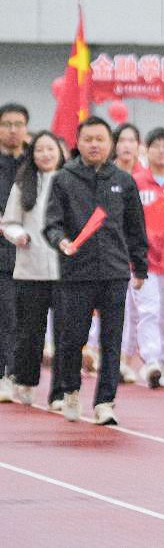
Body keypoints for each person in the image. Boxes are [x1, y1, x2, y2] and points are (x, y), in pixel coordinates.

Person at [44, 117, 148, 426]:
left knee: (112, 340)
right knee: (72, 337)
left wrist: (140, 266)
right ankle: (70, 391)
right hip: (77, 271)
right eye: (88, 139)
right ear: (78, 142)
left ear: (110, 143)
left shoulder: (123, 181)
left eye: (100, 139)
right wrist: (60, 241)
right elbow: (52, 223)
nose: (94, 145)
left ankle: (105, 401)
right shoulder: (64, 179)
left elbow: (135, 228)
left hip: (114, 271)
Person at [1, 130, 64, 408]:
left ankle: (61, 391)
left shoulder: (69, 182)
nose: (46, 155)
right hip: (31, 269)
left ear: (60, 153)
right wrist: (18, 235)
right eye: (40, 150)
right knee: (29, 332)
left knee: (65, 334)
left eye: (51, 149)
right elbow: (9, 222)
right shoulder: (23, 184)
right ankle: (26, 380)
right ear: (32, 154)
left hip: (64, 270)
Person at [124, 128, 164, 390]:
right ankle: (151, 360)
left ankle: (161, 363)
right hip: (143, 261)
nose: (161, 151)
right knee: (148, 311)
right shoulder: (135, 182)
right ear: (146, 150)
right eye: (156, 146)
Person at [0, 102, 28, 400]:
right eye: (6, 124)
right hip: (2, 254)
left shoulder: (34, 162)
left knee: (27, 319)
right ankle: (4, 374)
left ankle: (21, 373)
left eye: (18, 124)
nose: (12, 130)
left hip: (30, 253)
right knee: (6, 316)